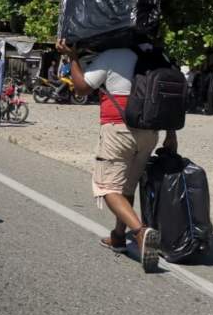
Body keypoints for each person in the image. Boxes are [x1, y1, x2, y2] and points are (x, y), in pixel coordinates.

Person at [56, 39, 175, 273]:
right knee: (126, 188)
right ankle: (119, 236)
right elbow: (169, 98)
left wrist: (73, 58)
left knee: (107, 187)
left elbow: (81, 88)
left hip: (118, 129)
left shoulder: (113, 54)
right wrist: (171, 135)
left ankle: (140, 233)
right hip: (150, 133)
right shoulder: (158, 57)